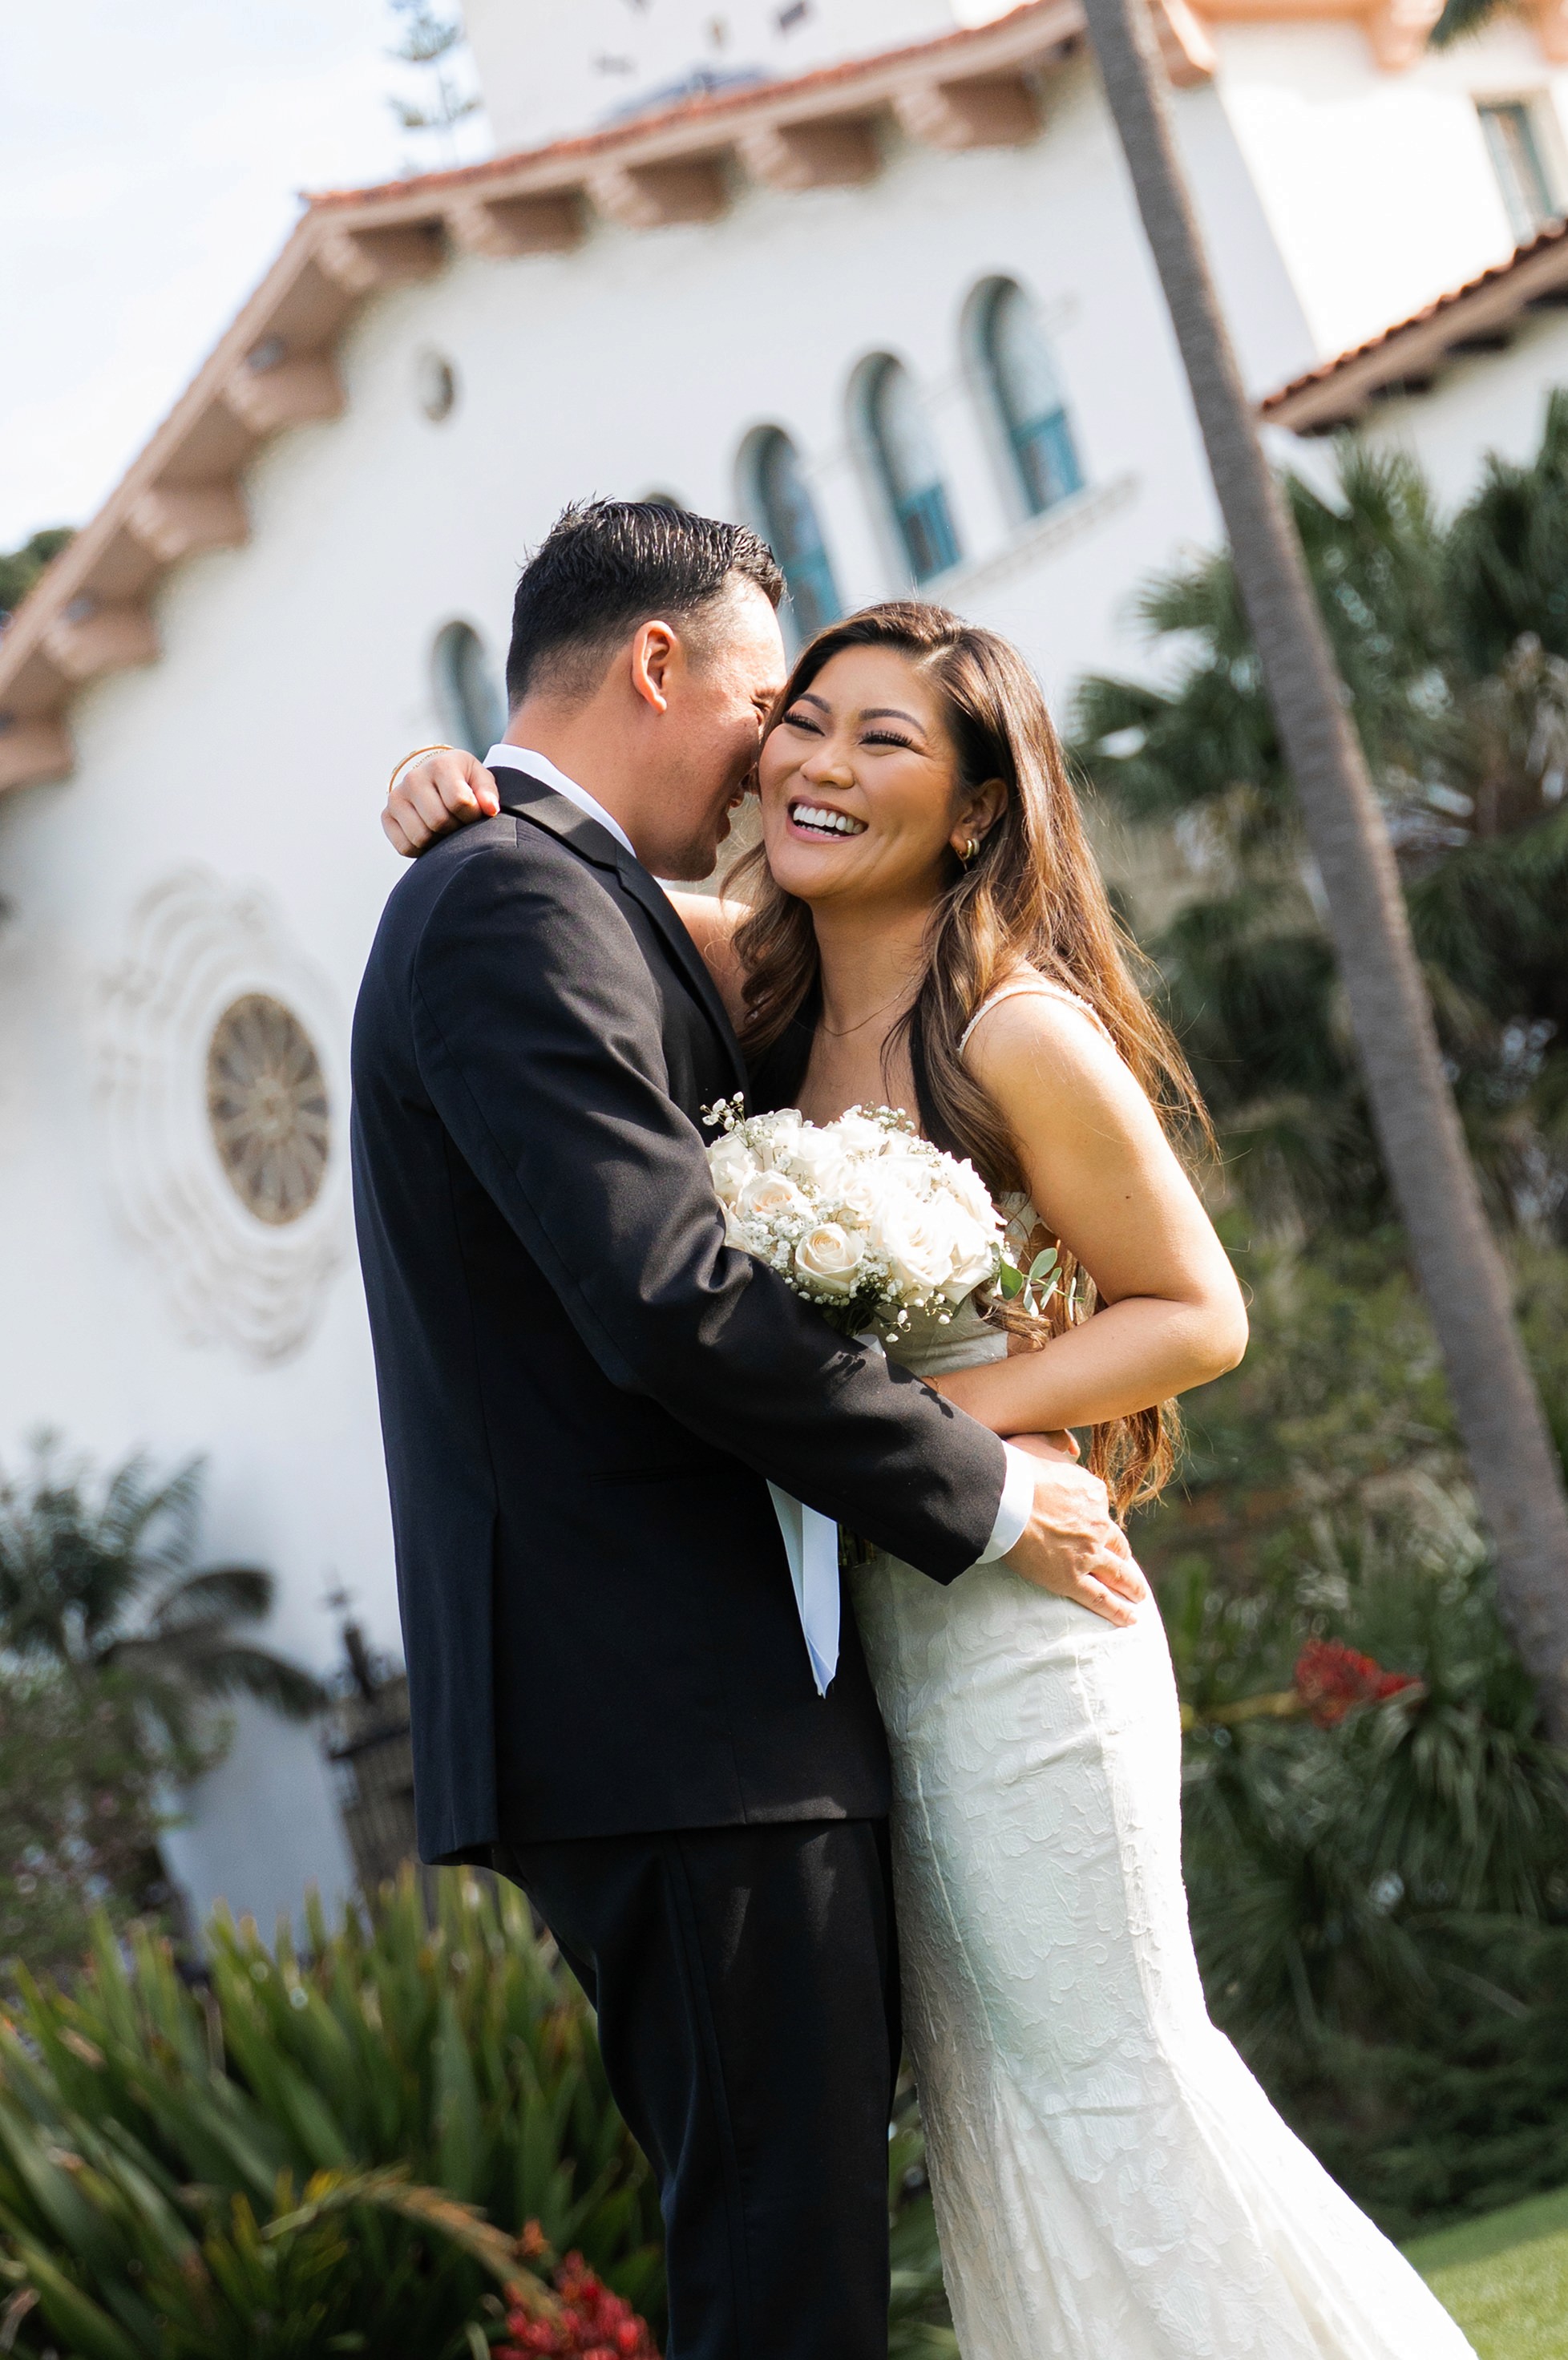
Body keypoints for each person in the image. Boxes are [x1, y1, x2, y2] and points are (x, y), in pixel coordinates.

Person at [389, 586, 1478, 2358]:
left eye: (880, 739)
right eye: (802, 718)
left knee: (1108, 2079)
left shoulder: (1012, 1027)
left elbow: (1197, 1309)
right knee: (990, 2123)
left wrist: (965, 1433)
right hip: (866, 1637)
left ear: (977, 806)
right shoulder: (747, 977)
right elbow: (537, 869)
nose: (812, 762)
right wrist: (446, 776)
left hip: (1027, 1616)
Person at [351, 501, 1146, 2360]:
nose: (781, 752)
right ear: (656, 666)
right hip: (663, 1718)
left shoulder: (578, 893)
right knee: (782, 2278)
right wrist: (979, 1486)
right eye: (774, 701)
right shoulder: (512, 900)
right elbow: (667, 1297)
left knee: (790, 2258)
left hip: (701, 1715)